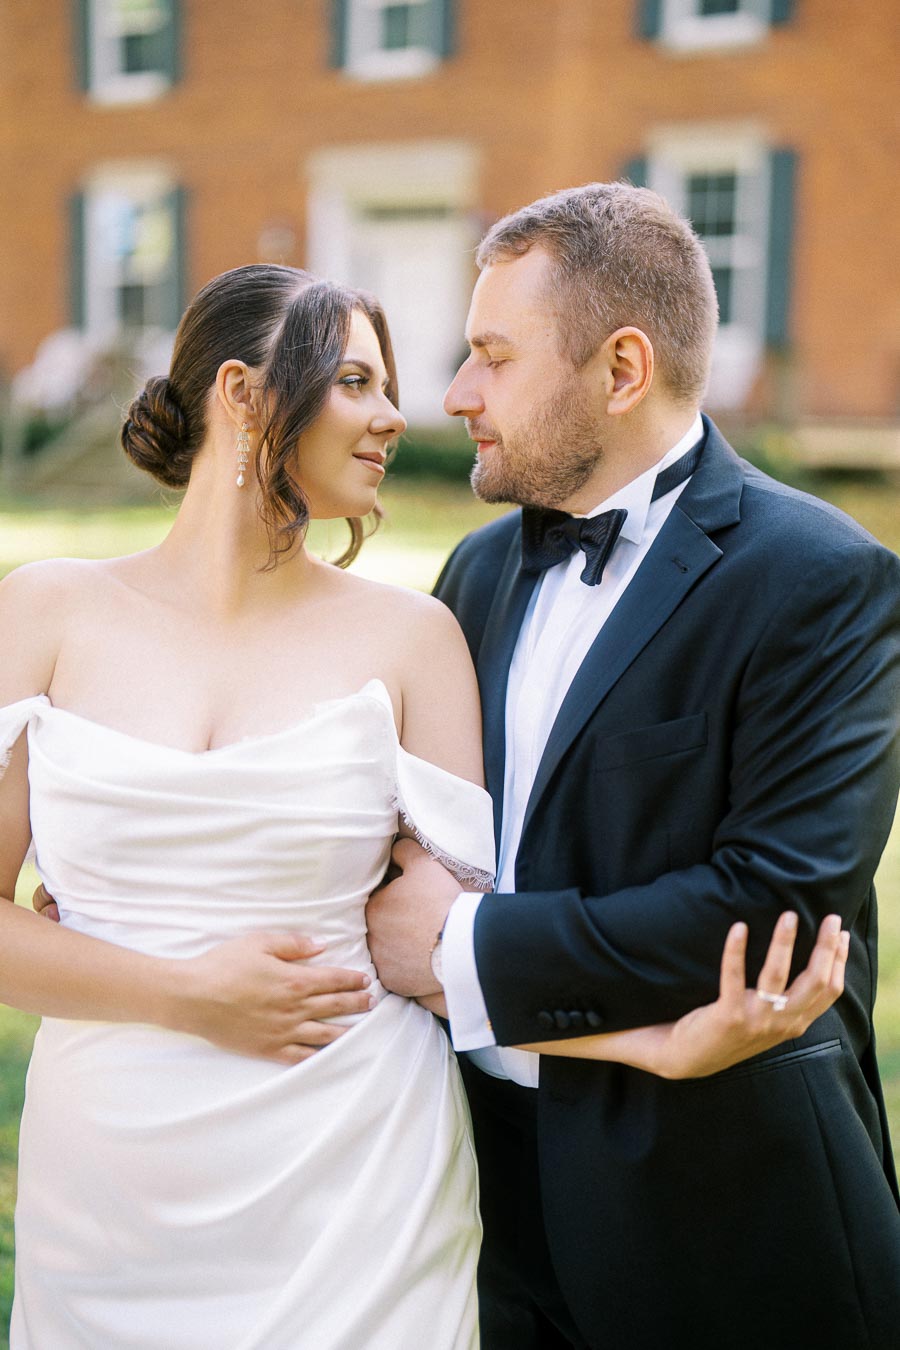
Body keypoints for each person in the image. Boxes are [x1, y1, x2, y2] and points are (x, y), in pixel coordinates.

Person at [2, 260, 846, 1348]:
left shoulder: (413, 638)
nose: (400, 413)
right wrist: (180, 992)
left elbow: (444, 952)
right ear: (243, 394)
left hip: (357, 1187)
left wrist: (658, 1049)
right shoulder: (46, 614)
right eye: (355, 380)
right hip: (107, 1188)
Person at [366, 182, 900, 1350]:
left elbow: (776, 905)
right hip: (488, 1228)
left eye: (492, 358)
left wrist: (460, 947)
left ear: (620, 370)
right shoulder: (474, 571)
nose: (454, 397)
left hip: (729, 1234)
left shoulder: (822, 580)